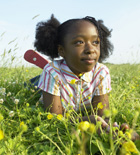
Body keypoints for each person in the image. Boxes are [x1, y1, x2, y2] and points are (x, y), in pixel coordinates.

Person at [34, 14, 114, 128]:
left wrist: (112, 130)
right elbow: (54, 118)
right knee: (33, 86)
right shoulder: (52, 72)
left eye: (95, 42)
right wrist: (85, 121)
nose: (91, 49)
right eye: (79, 42)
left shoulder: (101, 72)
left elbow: (103, 116)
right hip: (44, 82)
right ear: (62, 50)